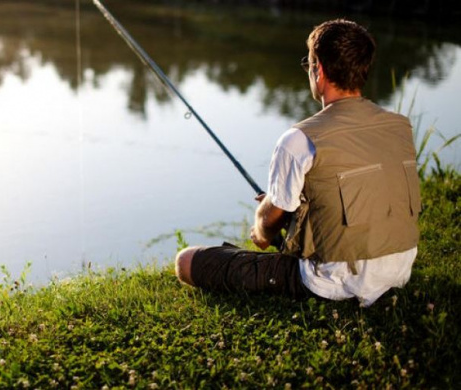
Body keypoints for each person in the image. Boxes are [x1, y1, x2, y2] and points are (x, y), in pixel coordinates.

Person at [175, 19, 421, 307]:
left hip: (334, 284)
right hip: (399, 271)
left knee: (187, 262)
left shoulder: (299, 139)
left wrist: (261, 229)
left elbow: (269, 221)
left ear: (320, 71)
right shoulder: (399, 126)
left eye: (309, 64)